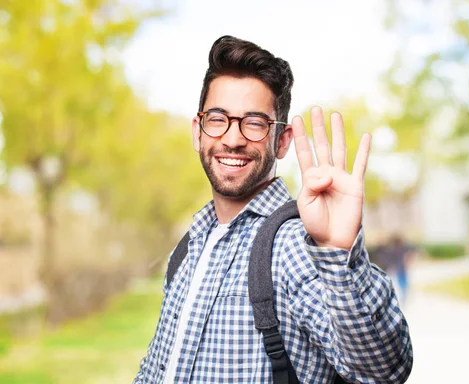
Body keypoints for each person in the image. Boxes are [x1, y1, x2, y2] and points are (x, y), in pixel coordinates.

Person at [133, 35, 413, 384]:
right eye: (218, 118)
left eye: (253, 123)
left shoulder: (295, 247)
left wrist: (338, 254)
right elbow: (158, 369)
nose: (232, 139)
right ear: (198, 131)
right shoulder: (188, 248)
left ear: (281, 140)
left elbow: (383, 370)